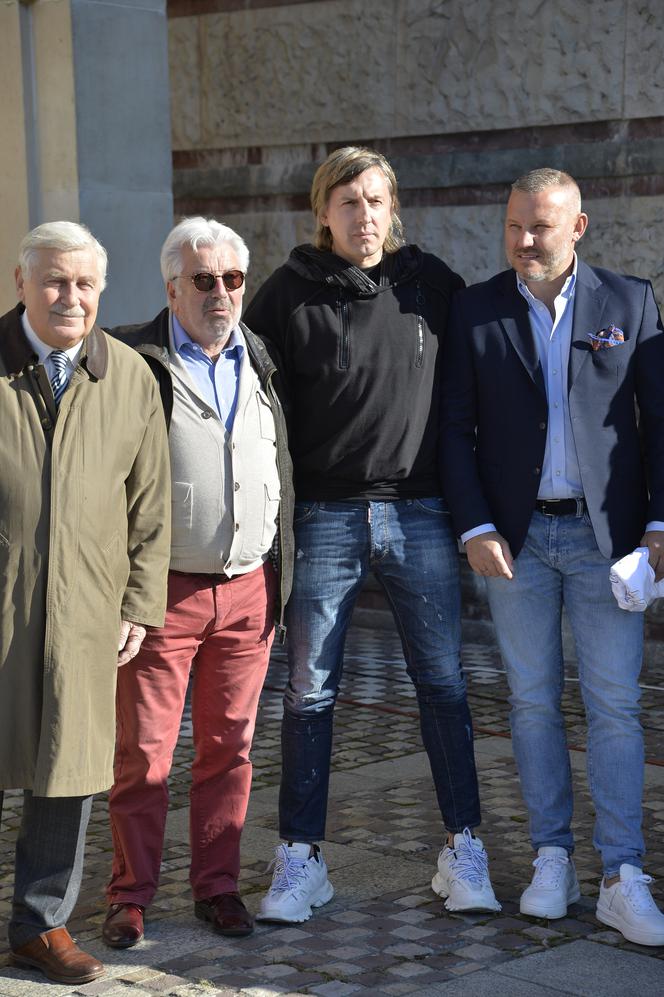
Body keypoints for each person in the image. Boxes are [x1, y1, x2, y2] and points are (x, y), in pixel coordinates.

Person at [243, 146, 499, 924]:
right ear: (323, 211)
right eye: (348, 201)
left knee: (443, 683)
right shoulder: (285, 294)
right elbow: (246, 396)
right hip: (325, 514)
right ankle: (301, 858)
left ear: (395, 209)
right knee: (309, 690)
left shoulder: (433, 286)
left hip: (420, 511)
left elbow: (481, 385)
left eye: (377, 200)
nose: (364, 215)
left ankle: (463, 848)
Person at [440, 168, 664, 945]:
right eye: (514, 226)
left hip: (610, 541)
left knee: (615, 704)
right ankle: (551, 857)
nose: (525, 241)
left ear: (580, 227)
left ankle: (623, 874)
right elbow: (454, 431)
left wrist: (660, 527)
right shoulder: (474, 310)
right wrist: (474, 527)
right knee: (532, 701)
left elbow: (659, 424)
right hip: (519, 542)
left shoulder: (629, 303)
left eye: (541, 226)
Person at [102, 217, 293, 947]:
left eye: (233, 279)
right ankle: (130, 895)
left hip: (248, 590)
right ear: (172, 287)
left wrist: (280, 569)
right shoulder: (131, 358)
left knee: (230, 749)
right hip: (162, 591)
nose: (221, 293)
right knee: (145, 754)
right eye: (204, 280)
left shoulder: (261, 357)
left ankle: (217, 887)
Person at [0, 222, 170, 984]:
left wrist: (139, 601)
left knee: (68, 766)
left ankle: (41, 925)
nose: (71, 297)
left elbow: (151, 505)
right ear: (21, 283)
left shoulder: (129, 375)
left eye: (85, 284)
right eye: (54, 281)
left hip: (86, 609)